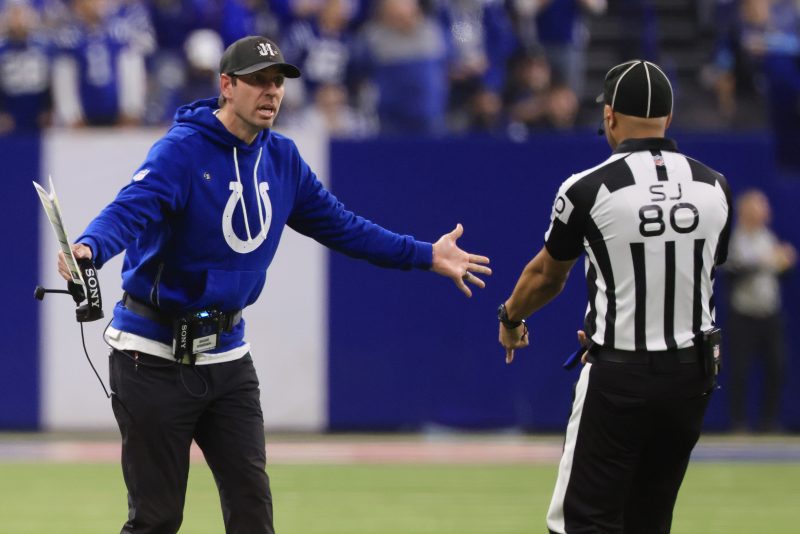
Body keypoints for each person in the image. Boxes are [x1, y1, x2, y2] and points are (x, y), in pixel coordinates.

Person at [55, 35, 491, 534]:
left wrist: (425, 254)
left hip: (226, 355)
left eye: (278, 82)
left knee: (253, 515)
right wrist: (89, 248)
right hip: (151, 357)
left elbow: (345, 227)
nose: (272, 92)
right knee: (157, 519)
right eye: (258, 81)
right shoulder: (181, 151)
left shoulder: (283, 159)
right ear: (226, 86)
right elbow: (128, 210)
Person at [498, 59, 732, 533]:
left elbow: (546, 277)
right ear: (668, 118)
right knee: (648, 520)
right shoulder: (715, 185)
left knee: (581, 522)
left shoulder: (588, 187)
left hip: (621, 376)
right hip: (691, 378)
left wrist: (510, 317)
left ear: (609, 116)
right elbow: (699, 270)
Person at [725, 189, 796, 433]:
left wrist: (785, 263)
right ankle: (738, 423)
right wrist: (763, 263)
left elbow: (778, 271)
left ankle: (769, 422)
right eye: (759, 206)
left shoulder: (767, 237)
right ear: (747, 210)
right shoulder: (736, 239)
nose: (765, 211)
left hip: (769, 313)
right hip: (744, 314)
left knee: (777, 366)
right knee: (740, 370)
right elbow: (732, 272)